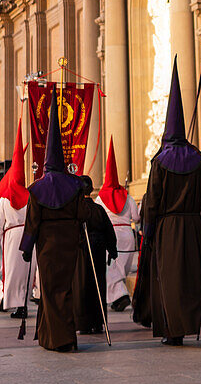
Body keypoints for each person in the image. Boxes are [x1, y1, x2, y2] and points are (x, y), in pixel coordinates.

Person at [134, 58, 201, 348]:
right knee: (196, 278)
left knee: (169, 280)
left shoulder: (160, 162)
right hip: (194, 225)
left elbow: (153, 200)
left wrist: (148, 229)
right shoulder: (199, 159)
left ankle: (175, 331)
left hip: (168, 229)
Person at [20, 89, 98, 352]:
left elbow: (32, 220)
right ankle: (56, 335)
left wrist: (26, 248)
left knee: (50, 290)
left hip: (47, 245)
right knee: (65, 289)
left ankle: (58, 338)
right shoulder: (75, 185)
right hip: (69, 243)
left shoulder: (38, 188)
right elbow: (83, 213)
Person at [0, 119, 35, 319]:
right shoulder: (32, 197)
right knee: (26, 271)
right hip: (27, 236)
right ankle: (24, 304)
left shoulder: (4, 201)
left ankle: (15, 304)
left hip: (11, 238)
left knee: (13, 271)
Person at [95, 137, 140, 311]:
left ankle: (120, 296)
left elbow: (98, 219)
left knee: (111, 270)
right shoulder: (128, 197)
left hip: (110, 236)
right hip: (127, 236)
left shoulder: (100, 198)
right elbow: (136, 218)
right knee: (120, 270)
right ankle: (117, 299)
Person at [73, 175, 117, 335]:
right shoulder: (99, 209)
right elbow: (109, 231)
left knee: (82, 285)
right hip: (98, 250)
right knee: (98, 284)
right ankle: (98, 322)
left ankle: (84, 323)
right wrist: (112, 250)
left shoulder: (77, 209)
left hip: (82, 250)